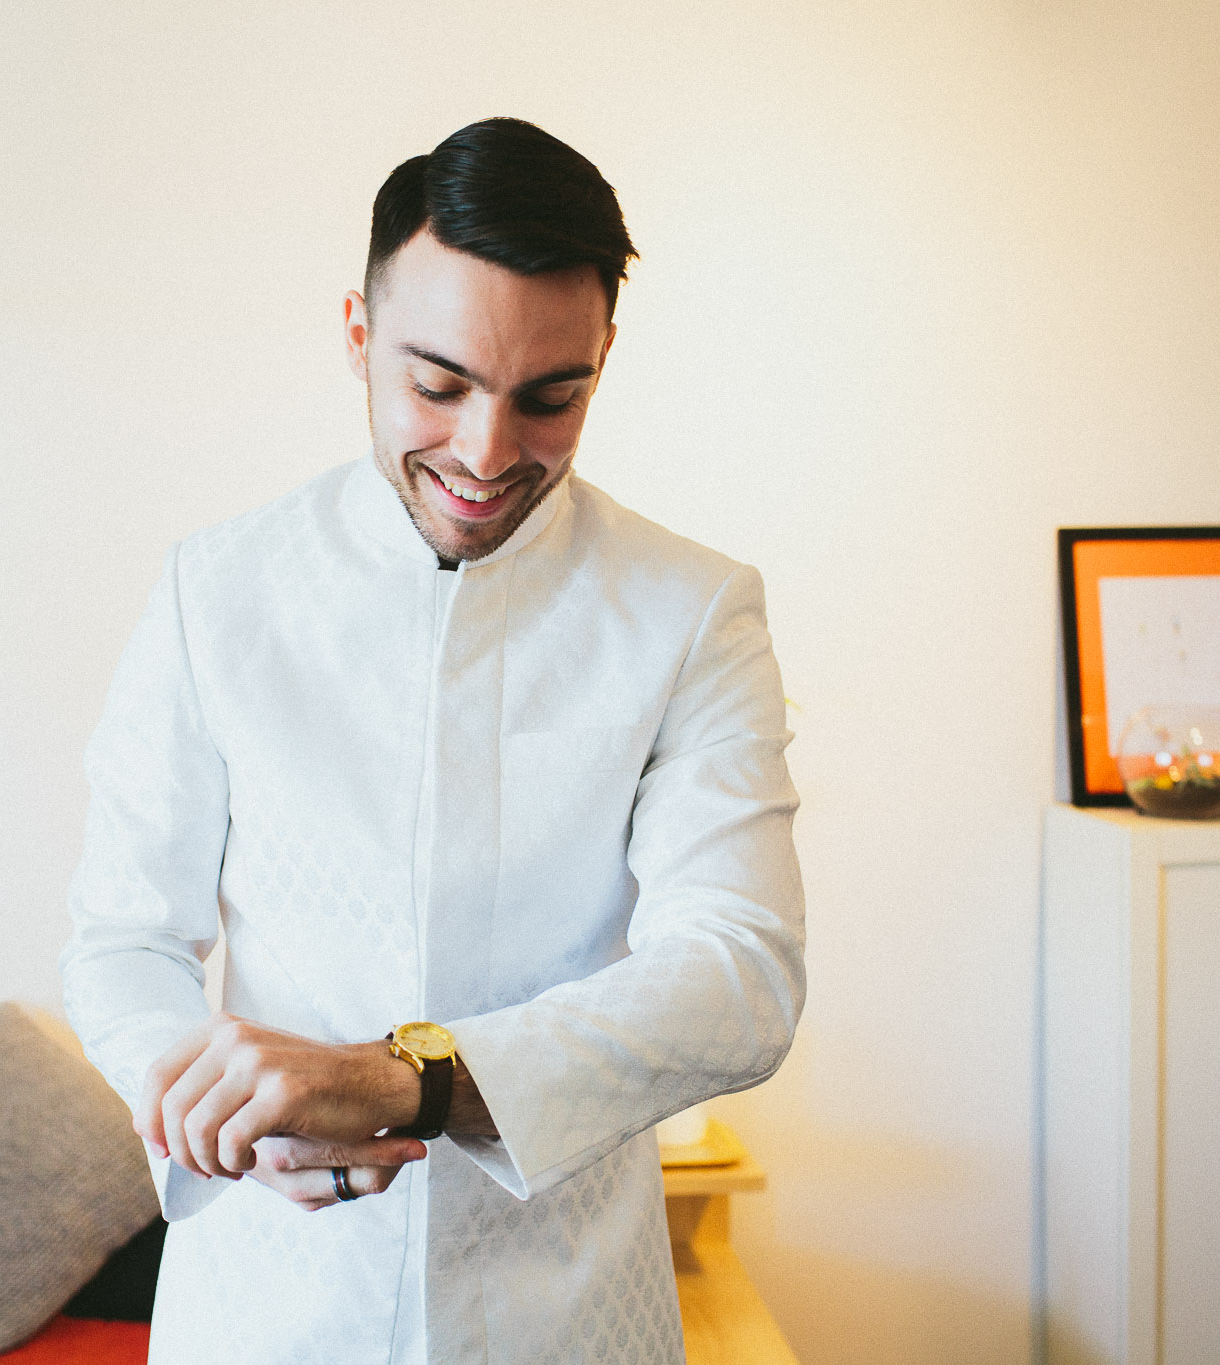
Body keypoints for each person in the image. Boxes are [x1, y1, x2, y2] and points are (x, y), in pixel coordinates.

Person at [60, 116, 805, 1364]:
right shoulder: (216, 592)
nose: (484, 452)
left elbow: (741, 978)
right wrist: (220, 1111)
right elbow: (125, 935)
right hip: (266, 1304)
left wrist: (410, 1082)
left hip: (563, 1316)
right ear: (356, 333)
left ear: (604, 356)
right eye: (436, 383)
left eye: (548, 398)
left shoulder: (692, 612)